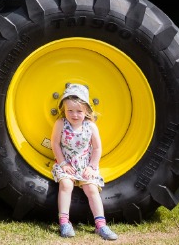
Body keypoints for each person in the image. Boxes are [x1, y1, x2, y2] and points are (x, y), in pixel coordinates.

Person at [52, 83, 118, 241]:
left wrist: (91, 167)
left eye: (79, 111)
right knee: (66, 185)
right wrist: (63, 164)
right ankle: (64, 222)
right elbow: (55, 144)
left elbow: (97, 148)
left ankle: (101, 225)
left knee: (91, 189)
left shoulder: (91, 127)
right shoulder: (61, 124)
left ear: (87, 110)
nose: (74, 115)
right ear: (64, 109)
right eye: (70, 110)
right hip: (66, 163)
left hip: (85, 165)